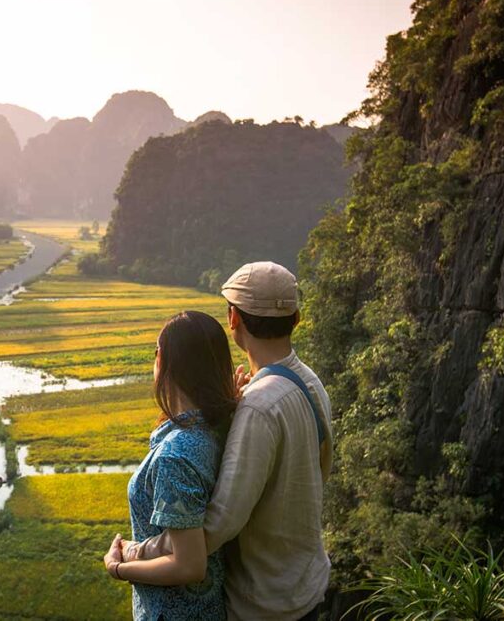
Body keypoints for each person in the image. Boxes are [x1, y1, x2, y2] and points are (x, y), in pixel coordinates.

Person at [117, 262, 333, 621]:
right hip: (304, 583)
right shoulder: (310, 383)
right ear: (295, 319)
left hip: (264, 600)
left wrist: (135, 554)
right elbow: (320, 470)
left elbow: (219, 524)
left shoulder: (259, 406)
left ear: (233, 319)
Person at [101, 310, 238, 621]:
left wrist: (119, 568)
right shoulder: (216, 426)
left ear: (164, 360)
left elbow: (188, 565)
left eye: (155, 351)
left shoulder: (176, 454)